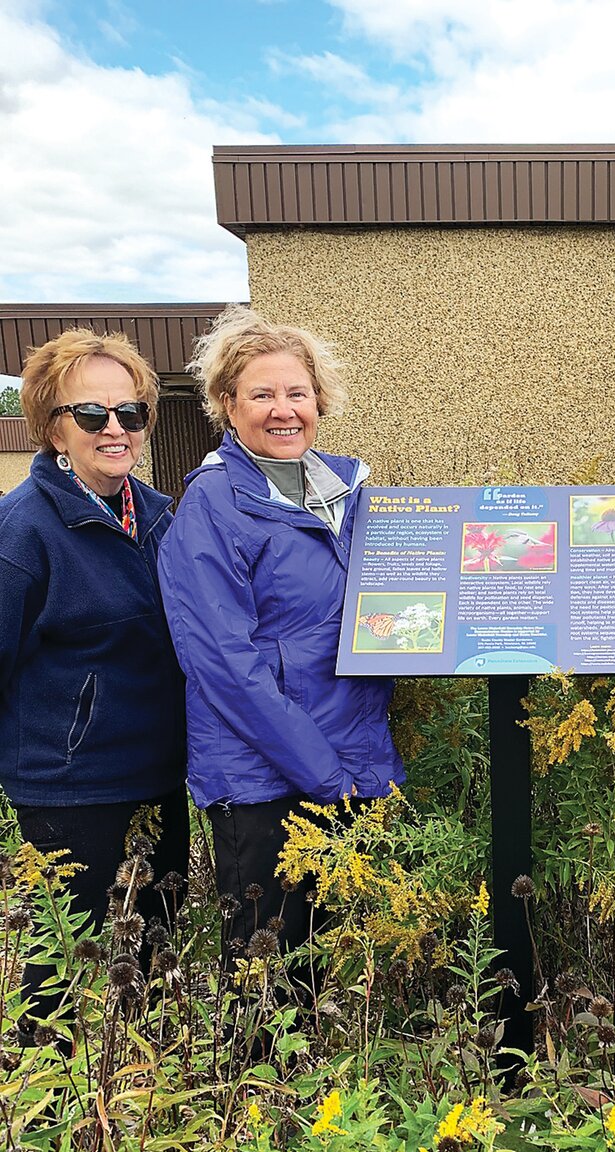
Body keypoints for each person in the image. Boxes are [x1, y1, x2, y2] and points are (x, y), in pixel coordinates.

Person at [158, 306, 403, 977]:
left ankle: (328, 1082)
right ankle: (263, 1086)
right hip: (265, 778)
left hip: (349, 758)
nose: (282, 410)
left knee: (335, 962)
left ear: (319, 400)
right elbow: (224, 666)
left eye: (296, 393)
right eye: (261, 395)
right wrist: (324, 773)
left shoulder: (348, 495)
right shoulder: (212, 505)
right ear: (226, 405)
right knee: (271, 972)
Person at [0, 330, 188, 1040]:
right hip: (68, 784)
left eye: (131, 412)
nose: (116, 429)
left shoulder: (161, 515)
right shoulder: (22, 532)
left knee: (156, 952)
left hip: (158, 772)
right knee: (62, 967)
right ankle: (48, 1103)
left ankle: (149, 1089)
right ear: (52, 427)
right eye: (92, 415)